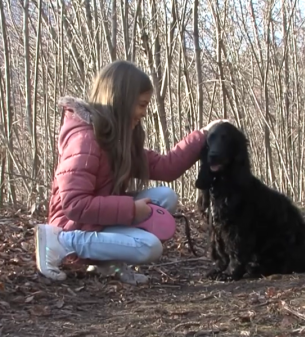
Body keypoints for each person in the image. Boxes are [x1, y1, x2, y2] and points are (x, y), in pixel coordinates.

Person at [35, 60, 226, 285]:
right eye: (142, 105)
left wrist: (203, 134)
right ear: (122, 102)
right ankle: (60, 242)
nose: (144, 113)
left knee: (166, 197)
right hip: (71, 226)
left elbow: (166, 167)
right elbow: (74, 204)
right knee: (148, 247)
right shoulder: (85, 140)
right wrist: (130, 210)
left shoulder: (116, 139)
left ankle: (106, 261)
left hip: (95, 220)